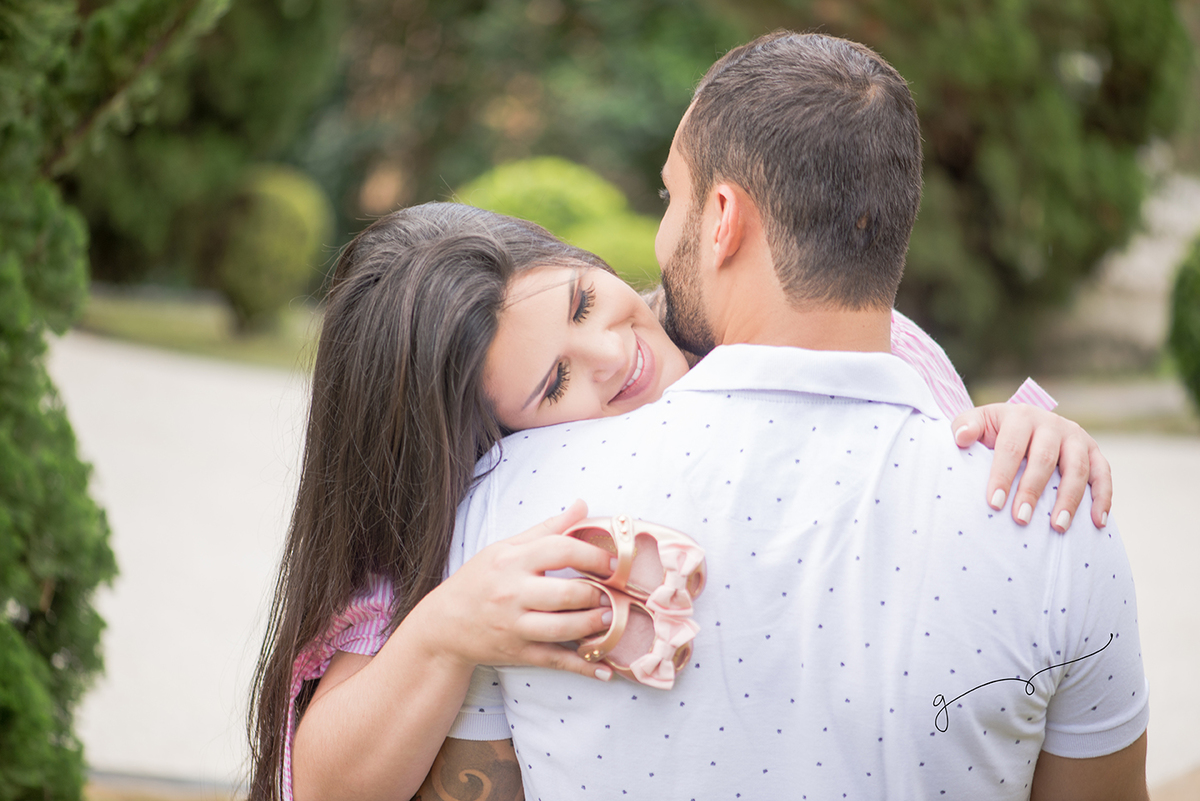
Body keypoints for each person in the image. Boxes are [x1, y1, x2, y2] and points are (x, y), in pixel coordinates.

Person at [249, 84, 1112, 801]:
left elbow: (931, 448)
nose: (615, 353)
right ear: (484, 446)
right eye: (554, 384)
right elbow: (324, 782)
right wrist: (441, 630)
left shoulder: (750, 324)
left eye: (586, 301)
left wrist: (1025, 428)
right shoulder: (477, 511)